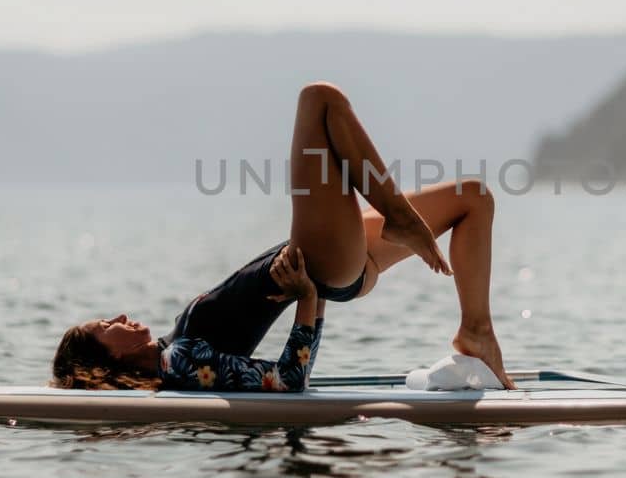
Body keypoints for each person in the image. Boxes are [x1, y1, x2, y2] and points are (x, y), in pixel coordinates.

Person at [50, 81, 514, 393]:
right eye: (104, 327)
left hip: (338, 260)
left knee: (473, 199)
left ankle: (477, 333)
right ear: (104, 362)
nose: (120, 316)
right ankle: (400, 217)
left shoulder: (174, 350)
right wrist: (309, 296)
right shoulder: (181, 366)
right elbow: (290, 380)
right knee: (319, 101)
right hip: (323, 262)